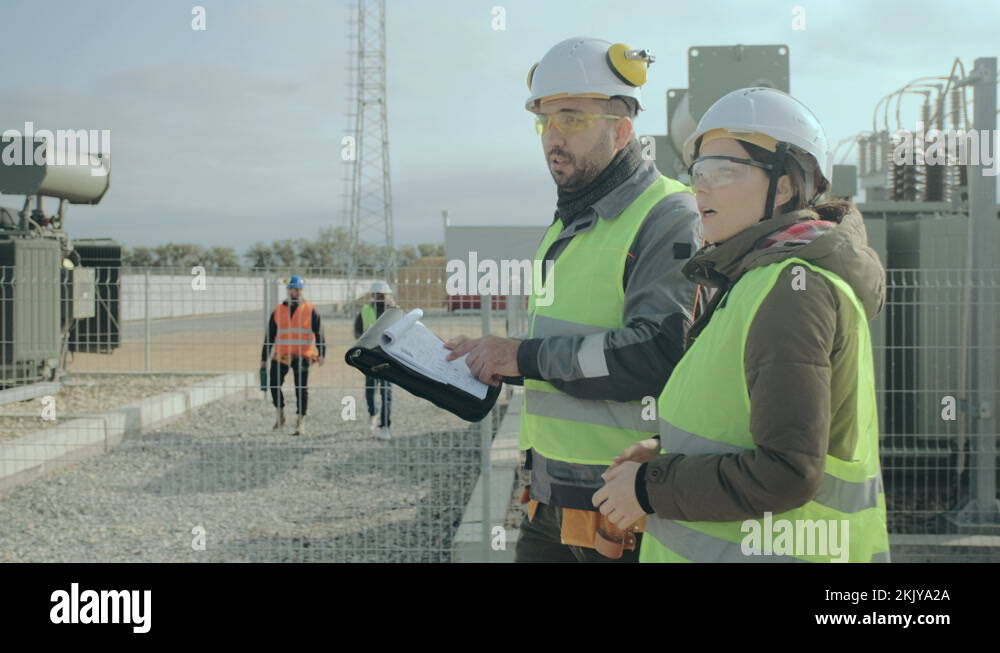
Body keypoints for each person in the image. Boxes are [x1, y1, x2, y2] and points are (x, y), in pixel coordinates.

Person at [593, 87, 891, 562]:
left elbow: (788, 471)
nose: (701, 187)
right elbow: (737, 424)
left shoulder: (792, 290)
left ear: (787, 185)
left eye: (723, 172)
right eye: (699, 172)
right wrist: (663, 451)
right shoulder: (752, 281)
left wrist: (650, 487)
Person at [443, 37, 702, 562]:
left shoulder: (669, 215)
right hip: (552, 493)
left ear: (622, 128)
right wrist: (498, 357)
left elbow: (656, 353)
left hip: (623, 506)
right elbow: (570, 345)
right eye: (545, 120)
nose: (553, 137)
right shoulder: (573, 221)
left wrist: (521, 356)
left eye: (573, 119)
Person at [260, 275, 325, 436]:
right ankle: (280, 414)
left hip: (303, 355)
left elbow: (319, 333)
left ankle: (300, 422)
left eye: (297, 289)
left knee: (301, 388)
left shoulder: (310, 310)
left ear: (301, 290)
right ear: (288, 290)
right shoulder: (278, 310)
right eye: (291, 289)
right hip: (281, 354)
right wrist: (263, 358)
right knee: (274, 384)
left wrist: (322, 352)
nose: (294, 292)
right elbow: (270, 336)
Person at [354, 281, 395, 441]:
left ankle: (385, 426)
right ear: (372, 296)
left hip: (389, 358)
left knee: (386, 391)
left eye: (382, 295)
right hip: (370, 356)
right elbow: (357, 330)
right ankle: (373, 413)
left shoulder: (394, 311)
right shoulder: (365, 311)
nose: (380, 298)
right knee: (370, 390)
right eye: (377, 295)